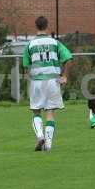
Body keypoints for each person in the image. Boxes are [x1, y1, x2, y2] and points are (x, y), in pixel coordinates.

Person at [23, 16, 73, 152]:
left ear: (36, 26)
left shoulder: (30, 45)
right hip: (52, 81)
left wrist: (28, 77)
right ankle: (48, 144)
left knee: (36, 111)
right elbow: (68, 58)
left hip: (37, 82)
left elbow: (26, 66)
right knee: (50, 112)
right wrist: (65, 76)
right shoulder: (55, 43)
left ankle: (40, 136)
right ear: (47, 26)